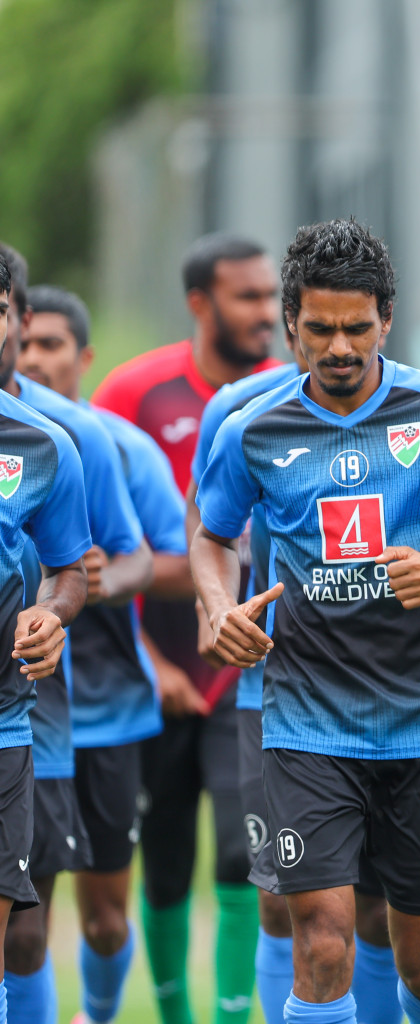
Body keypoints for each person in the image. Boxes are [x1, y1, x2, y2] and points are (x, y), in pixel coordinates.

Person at [192, 217, 420, 1024]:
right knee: (321, 939)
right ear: (292, 325)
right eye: (320, 329)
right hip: (305, 725)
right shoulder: (253, 429)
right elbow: (211, 533)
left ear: (386, 319)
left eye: (357, 327)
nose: (340, 346)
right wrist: (219, 608)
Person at [94, 233, 284, 1024]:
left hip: (251, 671)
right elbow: (95, 548)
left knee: (246, 857)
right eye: (250, 298)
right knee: (164, 866)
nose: (268, 315)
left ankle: (234, 1015)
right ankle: (175, 1015)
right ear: (201, 303)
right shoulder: (135, 394)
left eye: (274, 297)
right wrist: (146, 654)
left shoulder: (292, 393)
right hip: (156, 677)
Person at [19, 284, 186, 1024]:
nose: (35, 358)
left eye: (50, 344)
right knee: (27, 919)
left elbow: (148, 558)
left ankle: (100, 1013)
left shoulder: (97, 440)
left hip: (110, 711)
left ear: (81, 356)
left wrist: (83, 584)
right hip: (25, 718)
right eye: (29, 342)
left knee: (105, 918)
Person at [0, 253, 154, 1024]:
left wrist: (57, 609)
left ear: (17, 321)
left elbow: (112, 561)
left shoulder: (68, 440)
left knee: (32, 935)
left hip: (41, 716)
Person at [0, 252, 92, 1024]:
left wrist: (52, 614)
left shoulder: (46, 446)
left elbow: (74, 572)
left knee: (17, 944)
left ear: (15, 320)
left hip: (6, 726)